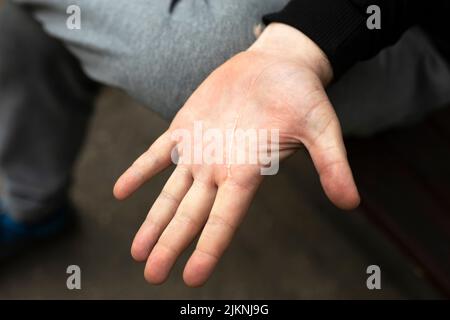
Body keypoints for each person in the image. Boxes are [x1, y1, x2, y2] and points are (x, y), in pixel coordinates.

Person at [1, 0, 449, 286]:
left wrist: (300, 43)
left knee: (188, 58)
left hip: (404, 31)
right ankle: (34, 203)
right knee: (25, 21)